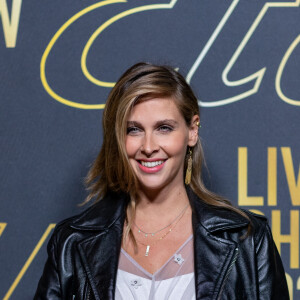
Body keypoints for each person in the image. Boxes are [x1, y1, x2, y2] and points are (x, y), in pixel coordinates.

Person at [34, 62, 289, 300]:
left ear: (192, 131)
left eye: (164, 128)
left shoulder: (246, 238)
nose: (148, 146)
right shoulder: (72, 242)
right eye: (133, 129)